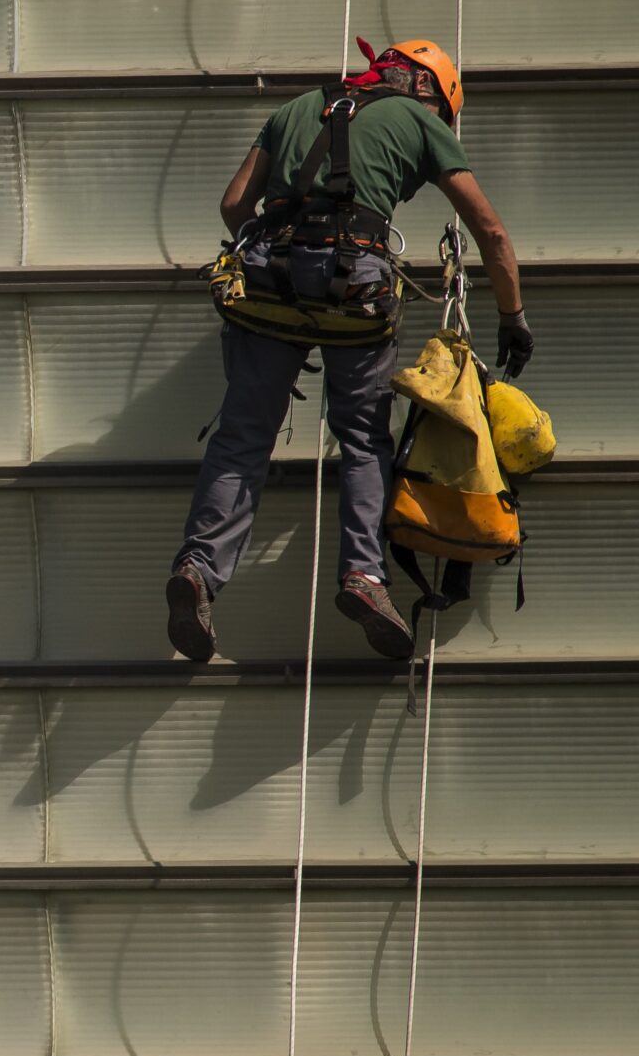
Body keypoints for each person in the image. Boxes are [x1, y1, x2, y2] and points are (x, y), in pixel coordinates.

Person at [166, 37, 529, 663]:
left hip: (268, 280)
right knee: (363, 437)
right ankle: (363, 576)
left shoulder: (297, 106)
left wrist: (287, 268)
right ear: (425, 87)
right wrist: (512, 317)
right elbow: (489, 230)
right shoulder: (418, 118)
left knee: (242, 437)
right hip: (354, 286)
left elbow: (234, 204)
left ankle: (198, 570)